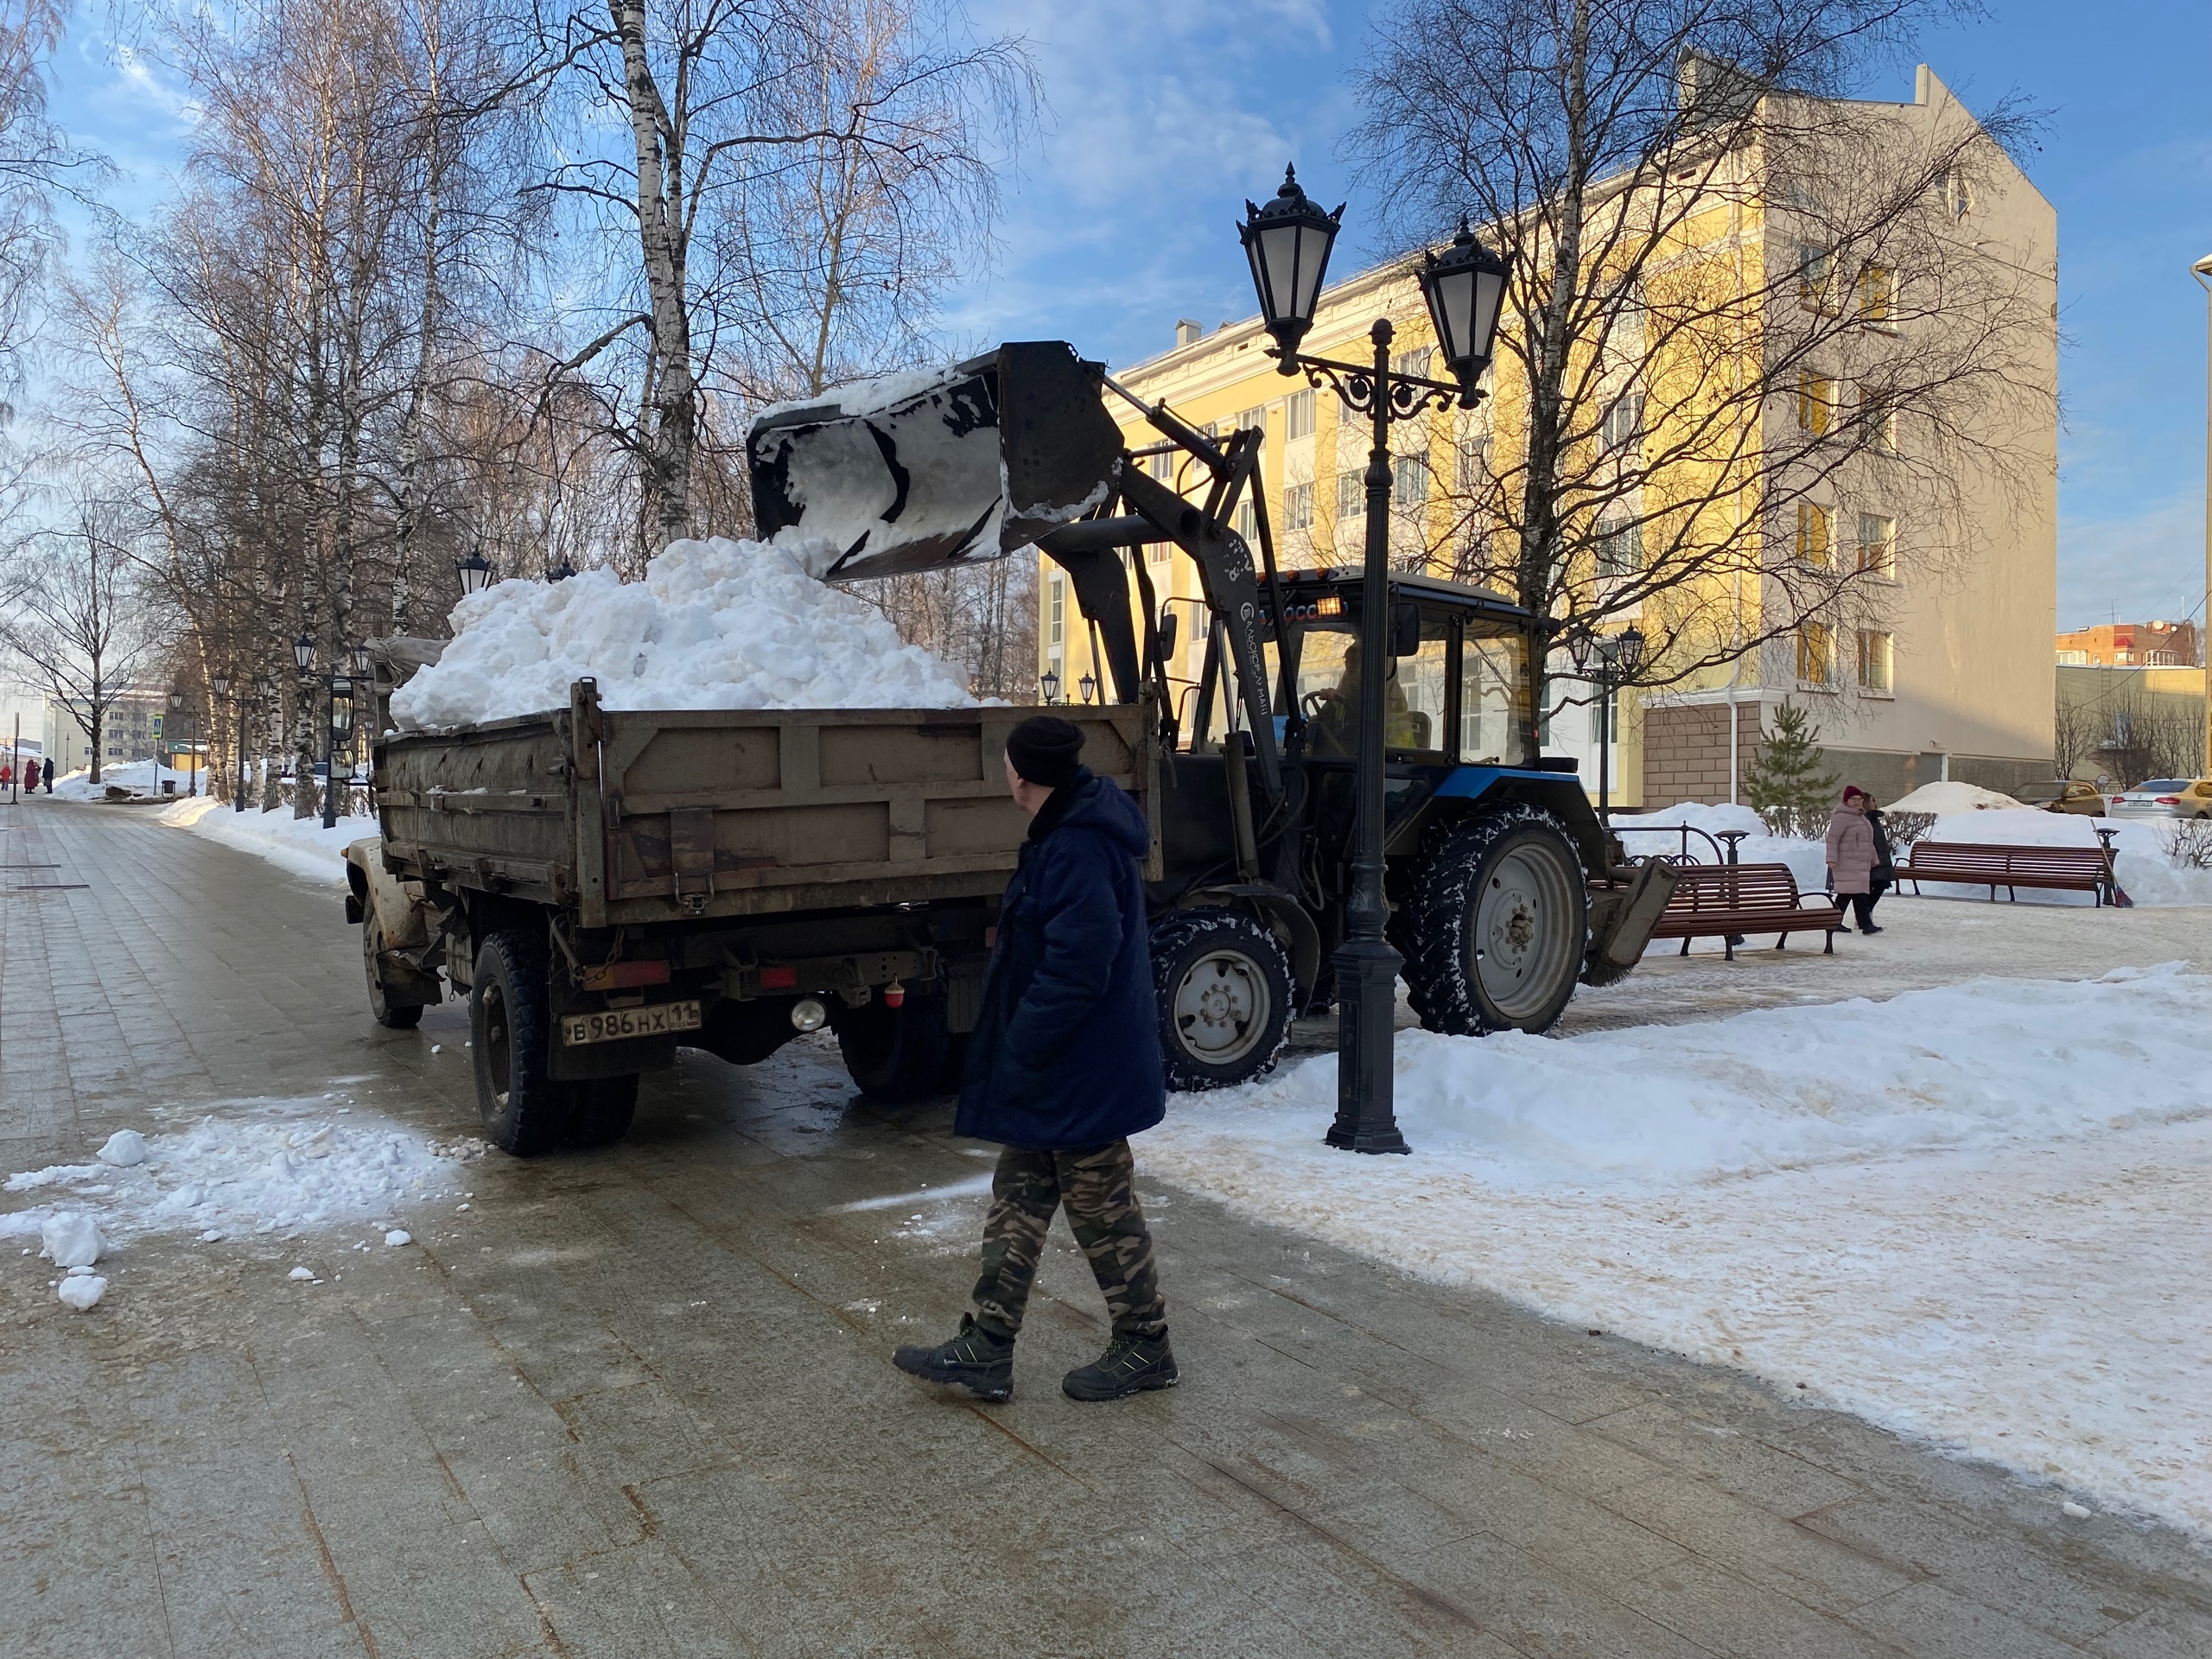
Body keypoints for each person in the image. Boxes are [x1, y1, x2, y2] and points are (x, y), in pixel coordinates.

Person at [893, 714, 1174, 1405]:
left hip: (1081, 1068)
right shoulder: (1068, 832)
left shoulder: (1077, 846)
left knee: (1101, 1208)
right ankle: (987, 1347)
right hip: (1064, 1066)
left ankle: (1145, 1345)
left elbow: (1079, 965)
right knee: (1017, 1199)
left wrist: (1024, 1042)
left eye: (1008, 762)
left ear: (1022, 774)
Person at [1826, 785, 1882, 935]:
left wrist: (1873, 858)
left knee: (1852, 894)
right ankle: (1865, 925)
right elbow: (1832, 839)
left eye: (1859, 799)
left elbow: (1868, 841)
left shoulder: (1861, 816)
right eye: (1853, 799)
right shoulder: (1841, 817)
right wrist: (1831, 859)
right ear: (1846, 800)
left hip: (1860, 863)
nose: (1857, 801)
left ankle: (1835, 922)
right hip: (1846, 862)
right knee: (1854, 894)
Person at [1864, 793, 1896, 925]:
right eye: (1872, 800)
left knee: (1879, 884)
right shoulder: (1865, 819)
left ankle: (1864, 915)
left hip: (1881, 858)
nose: (1874, 802)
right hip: (1872, 858)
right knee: (1873, 886)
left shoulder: (1875, 818)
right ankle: (1864, 916)